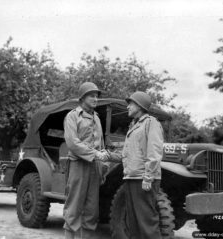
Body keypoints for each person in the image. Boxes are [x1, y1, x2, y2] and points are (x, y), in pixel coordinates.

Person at [108, 91, 164, 239]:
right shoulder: (134, 126)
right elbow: (125, 154)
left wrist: (148, 177)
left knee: (146, 224)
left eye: (130, 104)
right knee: (134, 225)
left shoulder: (151, 123)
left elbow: (155, 152)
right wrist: (106, 155)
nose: (127, 107)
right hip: (131, 178)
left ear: (139, 106)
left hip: (143, 179)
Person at [63, 82, 108, 239]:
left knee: (91, 211)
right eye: (92, 96)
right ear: (82, 98)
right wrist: (95, 154)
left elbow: (100, 142)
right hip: (78, 165)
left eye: (97, 96)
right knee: (73, 207)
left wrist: (103, 165)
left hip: (94, 167)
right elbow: (72, 143)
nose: (96, 99)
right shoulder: (72, 116)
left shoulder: (97, 118)